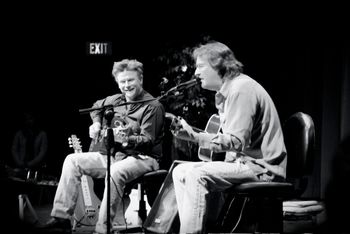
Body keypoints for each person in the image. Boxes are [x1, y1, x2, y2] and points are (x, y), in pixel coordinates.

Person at [172, 41, 287, 233]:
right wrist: (191, 135)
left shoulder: (240, 90)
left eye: (200, 66)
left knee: (196, 174)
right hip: (245, 163)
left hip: (261, 167)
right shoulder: (229, 90)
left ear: (219, 65)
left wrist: (195, 137)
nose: (196, 73)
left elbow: (235, 142)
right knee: (180, 171)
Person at [41, 59, 165, 234]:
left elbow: (148, 140)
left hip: (144, 158)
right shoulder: (115, 100)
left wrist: (126, 139)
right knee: (72, 160)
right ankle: (62, 218)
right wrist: (97, 123)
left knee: (116, 171)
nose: (126, 85)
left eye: (130, 80)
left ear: (141, 79)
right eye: (122, 82)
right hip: (115, 155)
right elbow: (96, 107)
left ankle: (103, 229)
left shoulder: (153, 106)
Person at [11, 110, 48, 177]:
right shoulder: (20, 133)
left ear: (35, 119)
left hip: (36, 167)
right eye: (26, 119)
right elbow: (14, 149)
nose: (28, 121)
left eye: (30, 118)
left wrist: (30, 163)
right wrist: (19, 162)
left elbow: (42, 152)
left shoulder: (42, 134)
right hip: (20, 166)